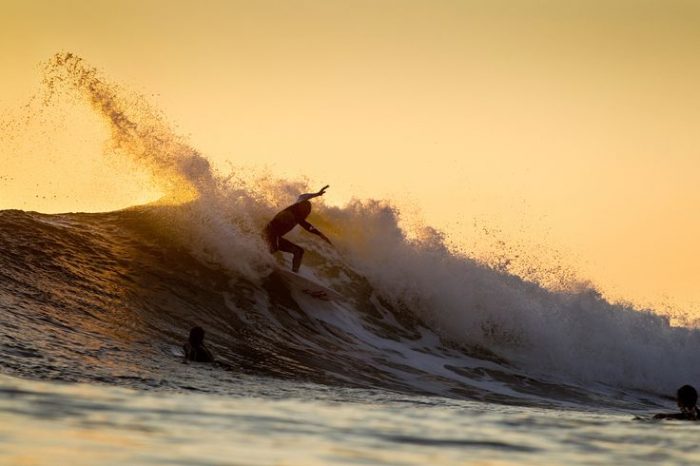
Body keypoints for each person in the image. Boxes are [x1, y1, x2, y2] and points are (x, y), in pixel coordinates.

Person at [264, 185, 332, 272]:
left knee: (299, 251)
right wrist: (319, 234)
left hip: (276, 237)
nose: (306, 214)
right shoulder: (294, 212)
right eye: (305, 211)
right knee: (274, 247)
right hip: (270, 232)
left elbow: (302, 196)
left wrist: (317, 194)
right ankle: (261, 261)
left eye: (307, 212)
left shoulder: (299, 208)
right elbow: (306, 226)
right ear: (301, 207)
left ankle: (295, 272)